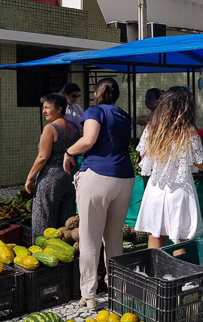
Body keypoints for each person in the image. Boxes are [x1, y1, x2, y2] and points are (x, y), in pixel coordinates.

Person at [63, 77, 135, 309]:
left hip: (97, 176)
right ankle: (118, 290)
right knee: (114, 237)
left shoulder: (94, 111)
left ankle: (89, 295)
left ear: (97, 93)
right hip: (124, 178)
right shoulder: (123, 115)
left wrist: (68, 151)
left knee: (90, 238)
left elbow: (89, 139)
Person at [134, 86, 203, 249]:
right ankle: (179, 274)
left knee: (155, 237)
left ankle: (150, 274)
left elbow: (143, 157)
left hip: (155, 189)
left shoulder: (152, 127)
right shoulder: (188, 130)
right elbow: (201, 164)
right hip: (180, 191)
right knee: (181, 241)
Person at [25, 93, 80, 241]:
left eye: (47, 108)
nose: (44, 111)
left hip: (51, 179)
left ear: (59, 109)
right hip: (70, 178)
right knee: (66, 224)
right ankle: (65, 256)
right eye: (43, 107)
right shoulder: (74, 127)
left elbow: (43, 157)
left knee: (43, 221)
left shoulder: (50, 128)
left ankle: (42, 254)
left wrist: (30, 177)